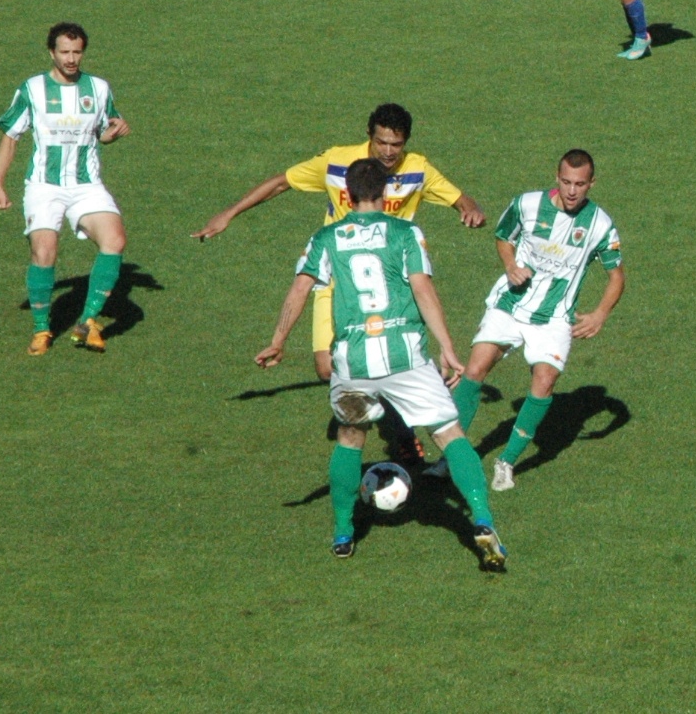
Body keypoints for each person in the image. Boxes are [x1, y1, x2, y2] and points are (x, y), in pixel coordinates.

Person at [255, 158, 507, 569]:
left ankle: (342, 532)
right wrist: (446, 347)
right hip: (405, 354)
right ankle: (481, 518)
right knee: (449, 432)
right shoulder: (406, 232)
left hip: (353, 363)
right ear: (387, 192)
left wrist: (278, 341)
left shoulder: (327, 238)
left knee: (351, 438)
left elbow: (300, 288)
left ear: (347, 195)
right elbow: (422, 288)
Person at [193, 102, 485, 384]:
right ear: (369, 135)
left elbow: (459, 197)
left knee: (392, 361)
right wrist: (229, 213)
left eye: (395, 145)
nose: (387, 151)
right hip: (336, 276)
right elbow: (282, 182)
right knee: (326, 369)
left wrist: (469, 208)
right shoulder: (337, 162)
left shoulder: (418, 168)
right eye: (381, 142)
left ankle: (400, 423)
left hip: (390, 281)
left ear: (406, 142)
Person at [429, 150, 624, 492]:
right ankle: (451, 458)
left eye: (580, 184)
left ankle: (505, 462)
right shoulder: (527, 205)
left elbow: (617, 277)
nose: (572, 191)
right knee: (474, 371)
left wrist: (599, 314)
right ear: (556, 177)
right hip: (511, 304)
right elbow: (504, 237)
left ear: (592, 183)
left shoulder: (600, 225)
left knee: (544, 382)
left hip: (554, 317)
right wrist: (510, 266)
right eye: (566, 182)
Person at [0, 23, 132, 354]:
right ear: (51, 52)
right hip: (44, 185)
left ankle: (88, 322)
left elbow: (104, 129)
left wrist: (113, 133)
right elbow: (11, 137)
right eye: (64, 52)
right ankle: (42, 330)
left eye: (77, 52)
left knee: (115, 240)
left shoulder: (98, 88)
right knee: (44, 251)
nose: (71, 59)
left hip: (86, 185)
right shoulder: (33, 89)